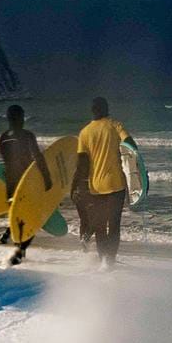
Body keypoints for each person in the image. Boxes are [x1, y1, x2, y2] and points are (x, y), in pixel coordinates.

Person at [71, 97, 138, 270]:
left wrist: (75, 186)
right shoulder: (115, 125)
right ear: (106, 109)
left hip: (96, 186)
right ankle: (110, 260)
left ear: (92, 111)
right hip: (116, 184)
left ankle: (103, 260)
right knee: (114, 224)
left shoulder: (85, 132)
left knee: (100, 226)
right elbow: (131, 145)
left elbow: (82, 165)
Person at [0, 104, 52, 266]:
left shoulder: (3, 137)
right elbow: (38, 157)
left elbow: (5, 161)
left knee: (18, 217)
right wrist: (47, 178)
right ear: (21, 118)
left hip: (11, 183)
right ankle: (19, 252)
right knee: (31, 219)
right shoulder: (28, 135)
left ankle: (14, 241)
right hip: (26, 182)